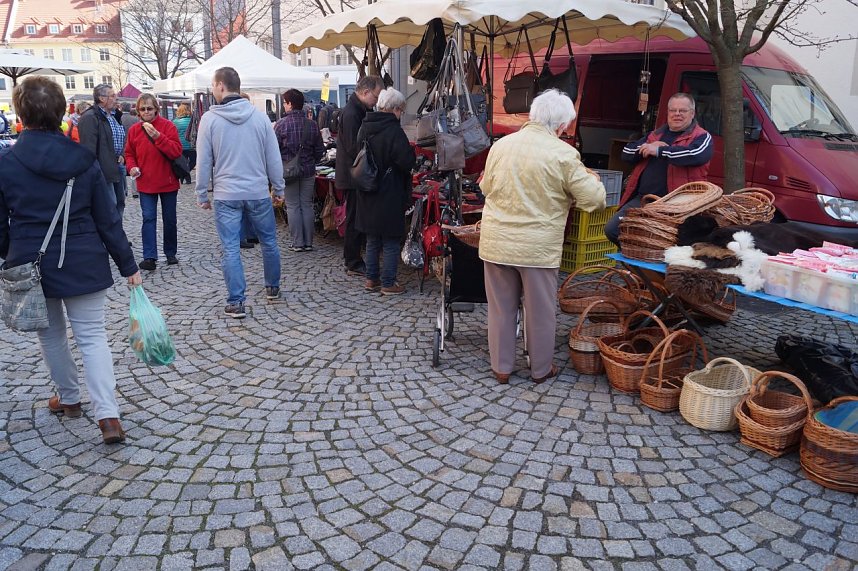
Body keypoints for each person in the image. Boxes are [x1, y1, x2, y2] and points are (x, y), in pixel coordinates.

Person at [0, 76, 141, 444]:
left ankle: (69, 398)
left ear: (20, 112)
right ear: (62, 111)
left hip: (31, 260)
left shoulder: (7, 161)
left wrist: (8, 258)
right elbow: (107, 219)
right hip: (83, 258)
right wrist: (128, 264)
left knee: (52, 336)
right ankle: (108, 416)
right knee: (92, 337)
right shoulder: (84, 160)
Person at [479, 89, 606, 384]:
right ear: (561, 125)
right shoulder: (563, 153)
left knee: (500, 309)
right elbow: (594, 200)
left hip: (497, 241)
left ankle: (501, 367)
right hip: (536, 247)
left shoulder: (501, 146)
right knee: (540, 312)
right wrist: (595, 181)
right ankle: (540, 369)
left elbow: (486, 188)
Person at [194, 67, 285, 319]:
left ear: (221, 86)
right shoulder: (260, 118)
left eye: (213, 86)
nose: (212, 90)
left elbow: (204, 161)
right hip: (257, 191)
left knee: (231, 248)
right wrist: (278, 188)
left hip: (227, 194)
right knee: (269, 242)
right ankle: (273, 288)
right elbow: (273, 158)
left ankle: (236, 301)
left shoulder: (210, 120)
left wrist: (202, 193)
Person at [604, 92, 714, 246]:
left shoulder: (702, 137)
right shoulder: (655, 135)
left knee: (672, 241)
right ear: (667, 112)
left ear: (692, 113)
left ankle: (654, 265)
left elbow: (695, 155)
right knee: (613, 229)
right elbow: (626, 153)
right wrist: (648, 148)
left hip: (679, 204)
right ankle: (639, 259)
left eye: (682, 111)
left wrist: (660, 151)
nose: (677, 114)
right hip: (643, 200)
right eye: (673, 110)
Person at [355, 88, 416, 295]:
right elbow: (406, 161)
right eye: (400, 110)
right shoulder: (393, 130)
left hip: (367, 189)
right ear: (394, 109)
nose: (401, 114)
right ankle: (389, 282)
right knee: (390, 240)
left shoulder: (365, 126)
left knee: (372, 238)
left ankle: (371, 280)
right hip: (389, 191)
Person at [125, 94, 184, 271]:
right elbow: (129, 153)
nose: (146, 112)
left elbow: (176, 151)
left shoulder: (168, 126)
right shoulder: (134, 130)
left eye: (149, 108)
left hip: (167, 181)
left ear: (156, 109)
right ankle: (149, 256)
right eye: (142, 109)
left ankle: (170, 252)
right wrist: (132, 167)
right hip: (146, 182)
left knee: (169, 219)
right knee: (148, 218)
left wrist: (158, 136)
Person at [335, 76, 384, 277]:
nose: (377, 101)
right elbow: (355, 147)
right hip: (354, 175)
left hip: (355, 173)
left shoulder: (358, 110)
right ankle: (352, 260)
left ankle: (353, 257)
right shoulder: (352, 113)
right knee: (354, 217)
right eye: (376, 96)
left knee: (356, 216)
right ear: (365, 92)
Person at [274, 89, 325, 252]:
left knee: (293, 206)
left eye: (284, 102)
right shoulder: (312, 124)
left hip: (288, 171)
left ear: (290, 104)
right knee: (307, 205)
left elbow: (274, 151)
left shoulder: (281, 125)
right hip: (308, 170)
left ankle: (298, 243)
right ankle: (309, 242)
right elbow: (320, 150)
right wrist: (311, 161)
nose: (283, 106)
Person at [77, 84, 128, 223]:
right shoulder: (90, 117)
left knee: (119, 203)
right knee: (109, 206)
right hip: (103, 169)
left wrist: (122, 154)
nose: (115, 99)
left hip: (117, 166)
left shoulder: (113, 115)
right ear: (102, 98)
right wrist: (96, 171)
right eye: (112, 96)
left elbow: (121, 137)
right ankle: (110, 239)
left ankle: (117, 236)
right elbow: (89, 150)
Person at [172, 102, 196, 185]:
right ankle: (185, 175)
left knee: (183, 163)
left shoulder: (175, 122)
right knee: (193, 161)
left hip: (180, 146)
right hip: (191, 145)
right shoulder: (192, 121)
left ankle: (184, 176)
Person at [121, 106, 140, 198]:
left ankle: (124, 190)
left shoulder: (119, 118)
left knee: (122, 169)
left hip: (121, 146)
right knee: (134, 167)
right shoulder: (135, 119)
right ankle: (135, 191)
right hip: (134, 146)